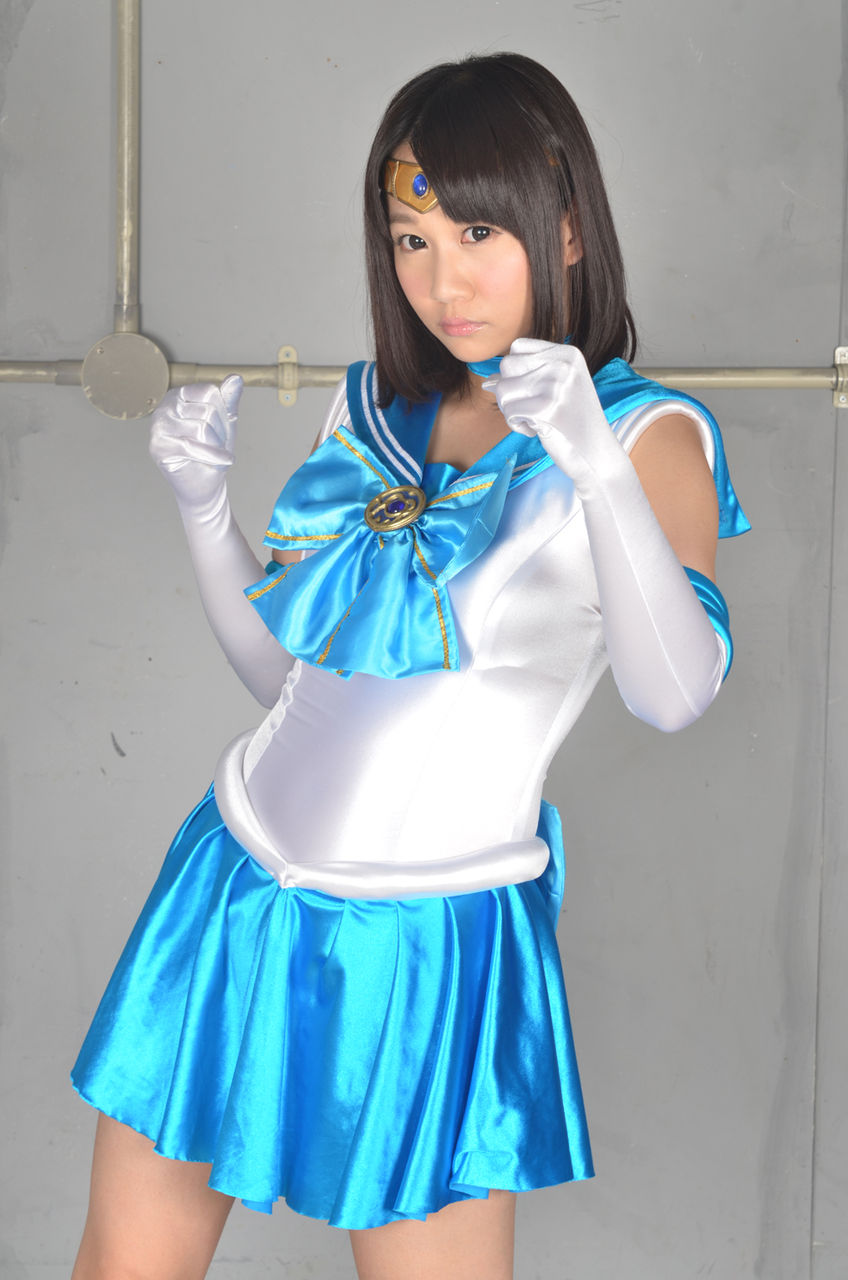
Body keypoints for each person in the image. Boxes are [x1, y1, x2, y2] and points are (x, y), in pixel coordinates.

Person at [70, 52, 748, 1280]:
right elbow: (291, 684)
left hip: (426, 944)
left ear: (567, 226)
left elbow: (674, 691)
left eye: (478, 232)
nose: (443, 281)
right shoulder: (376, 409)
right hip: (229, 884)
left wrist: (591, 462)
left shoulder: (648, 434)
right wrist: (203, 508)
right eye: (410, 240)